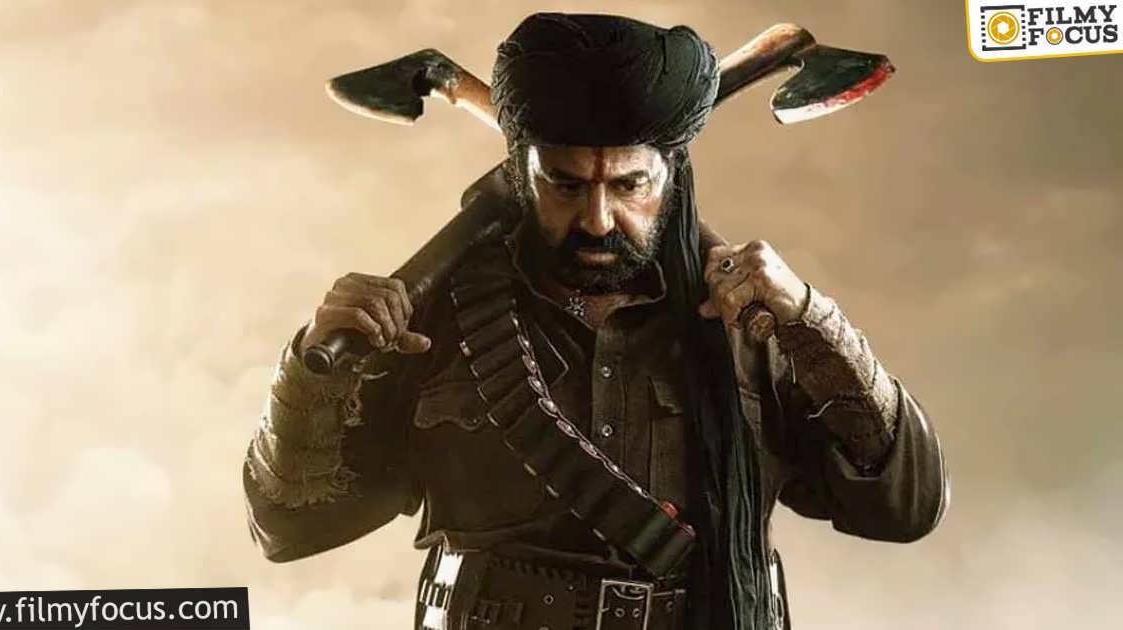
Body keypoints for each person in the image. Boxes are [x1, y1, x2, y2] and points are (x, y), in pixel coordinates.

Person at [242, 13, 949, 630]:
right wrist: (314, 370)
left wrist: (813, 323)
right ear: (522, 175)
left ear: (671, 179)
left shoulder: (755, 323)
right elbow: (288, 526)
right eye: (566, 184)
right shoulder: (431, 321)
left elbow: (905, 506)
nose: (599, 219)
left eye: (630, 184)